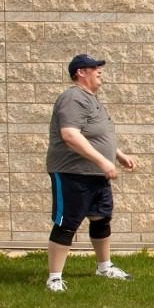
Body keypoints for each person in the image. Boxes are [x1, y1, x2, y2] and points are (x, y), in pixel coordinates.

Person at [45, 54, 137, 292]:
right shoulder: (72, 98)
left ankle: (104, 267)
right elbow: (70, 135)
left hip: (95, 173)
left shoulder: (91, 99)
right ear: (80, 72)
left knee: (101, 218)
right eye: (94, 67)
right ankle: (54, 278)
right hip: (72, 173)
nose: (99, 71)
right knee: (67, 224)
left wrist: (117, 155)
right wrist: (103, 162)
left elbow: (96, 134)